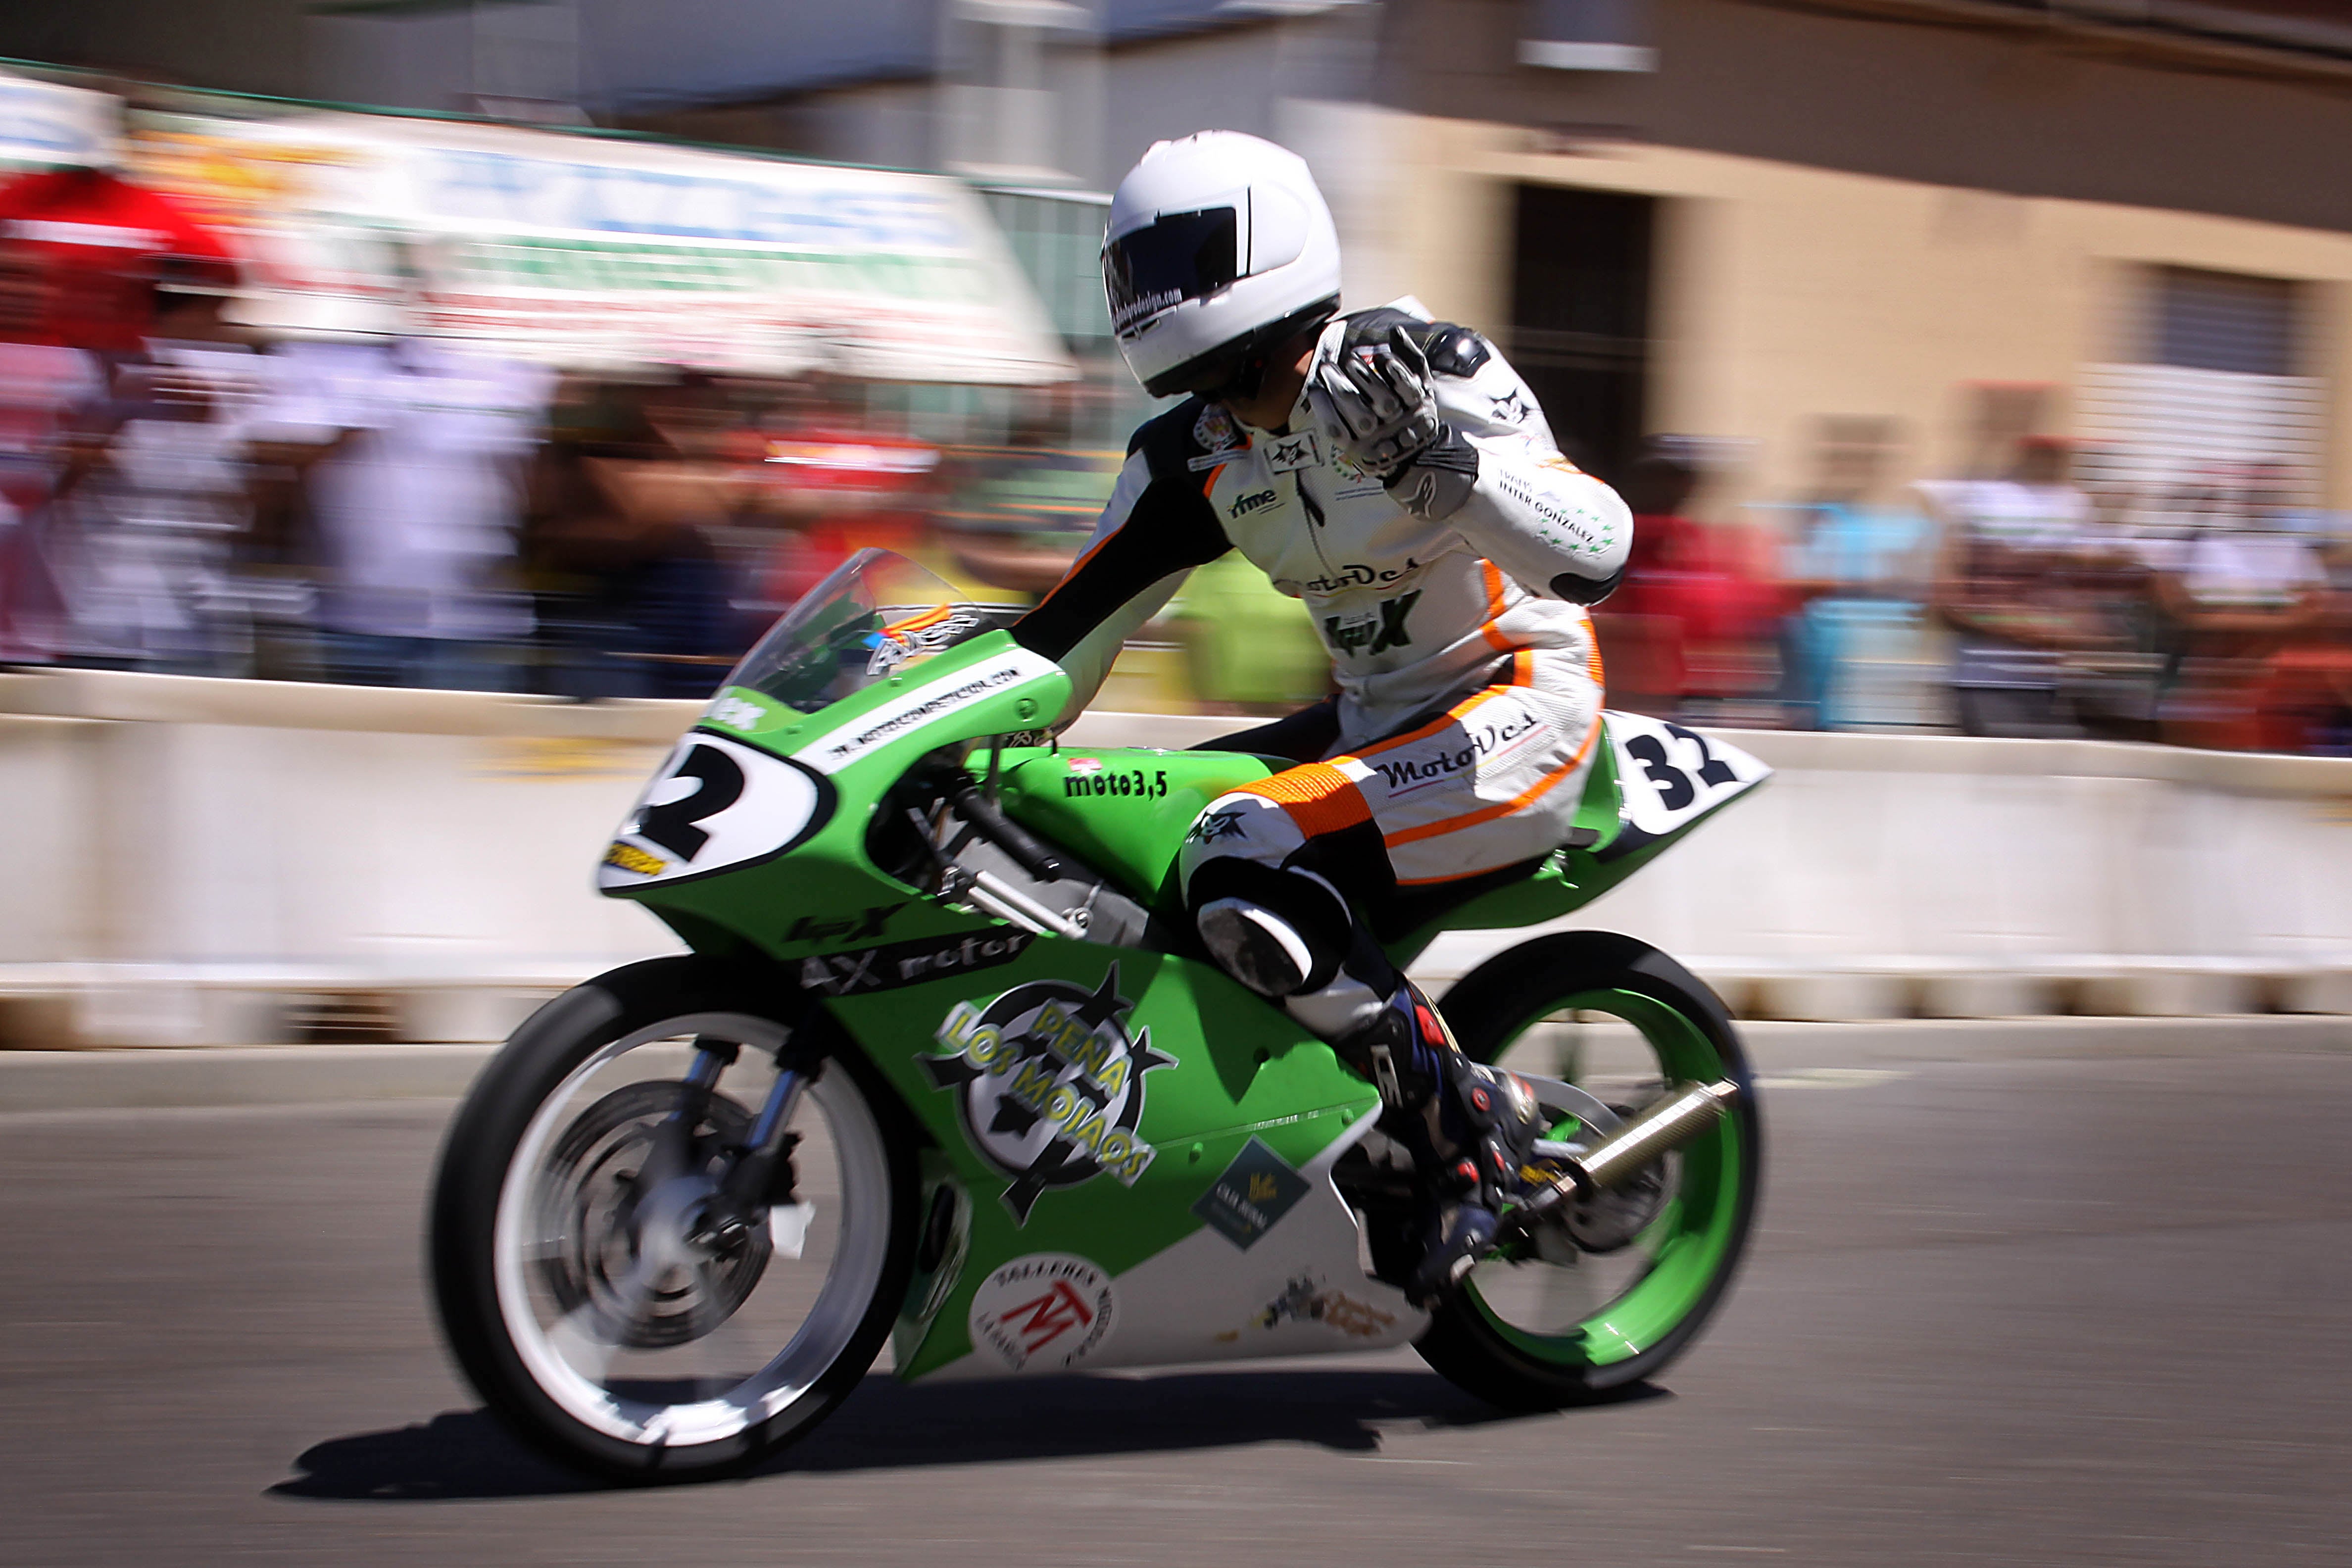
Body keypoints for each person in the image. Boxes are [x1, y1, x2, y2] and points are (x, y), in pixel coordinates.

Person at [1011, 132, 1632, 1304]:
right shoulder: (1192, 455)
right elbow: (1063, 642)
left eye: (1177, 264)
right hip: (1374, 726)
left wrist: (1460, 475)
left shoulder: (1423, 366)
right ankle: (1287, 1150)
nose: (1152, 297)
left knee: (1237, 848)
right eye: (1135, 275)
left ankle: (1463, 1119)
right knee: (1125, 838)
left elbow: (1602, 552)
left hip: (1519, 703)